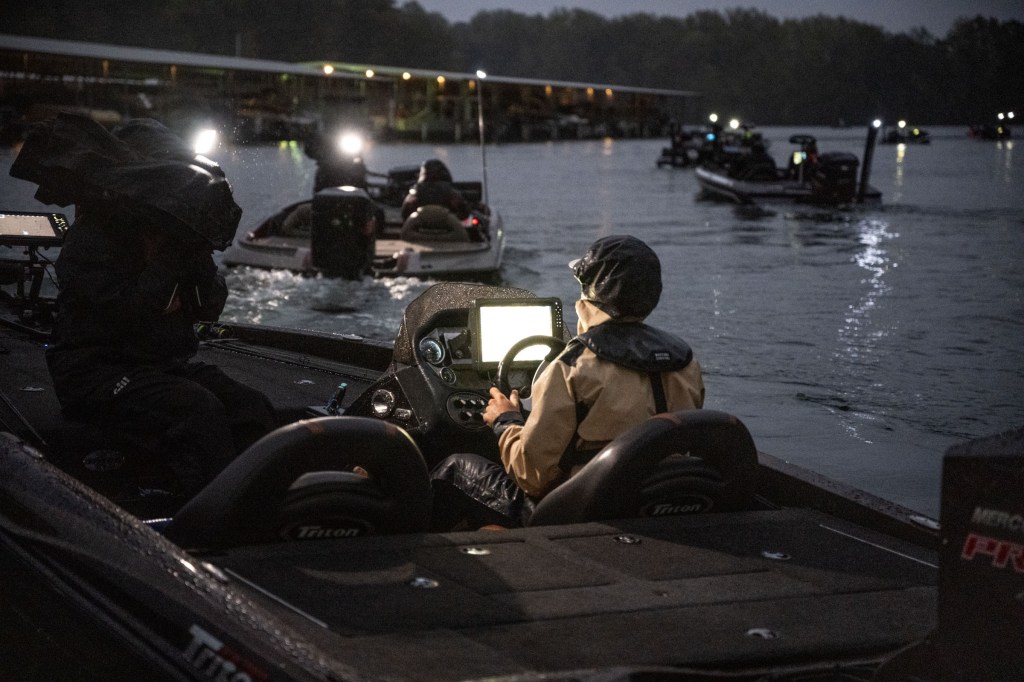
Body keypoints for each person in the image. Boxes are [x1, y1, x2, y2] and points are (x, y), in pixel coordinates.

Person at [45, 120, 278, 498]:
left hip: (160, 365)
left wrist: (194, 255)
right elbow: (131, 314)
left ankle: (265, 506)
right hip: (96, 373)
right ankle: (208, 514)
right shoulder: (91, 238)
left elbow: (209, 307)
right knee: (198, 411)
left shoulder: (173, 235)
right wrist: (166, 266)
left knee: (250, 407)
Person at [431, 235, 705, 529]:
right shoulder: (685, 363)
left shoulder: (572, 367)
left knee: (454, 468)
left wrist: (505, 421)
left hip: (576, 511)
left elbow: (532, 477)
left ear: (591, 292)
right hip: (647, 504)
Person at [400, 159, 470, 220]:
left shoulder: (416, 191)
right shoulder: (450, 192)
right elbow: (464, 213)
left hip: (422, 226)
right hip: (446, 227)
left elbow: (405, 212)